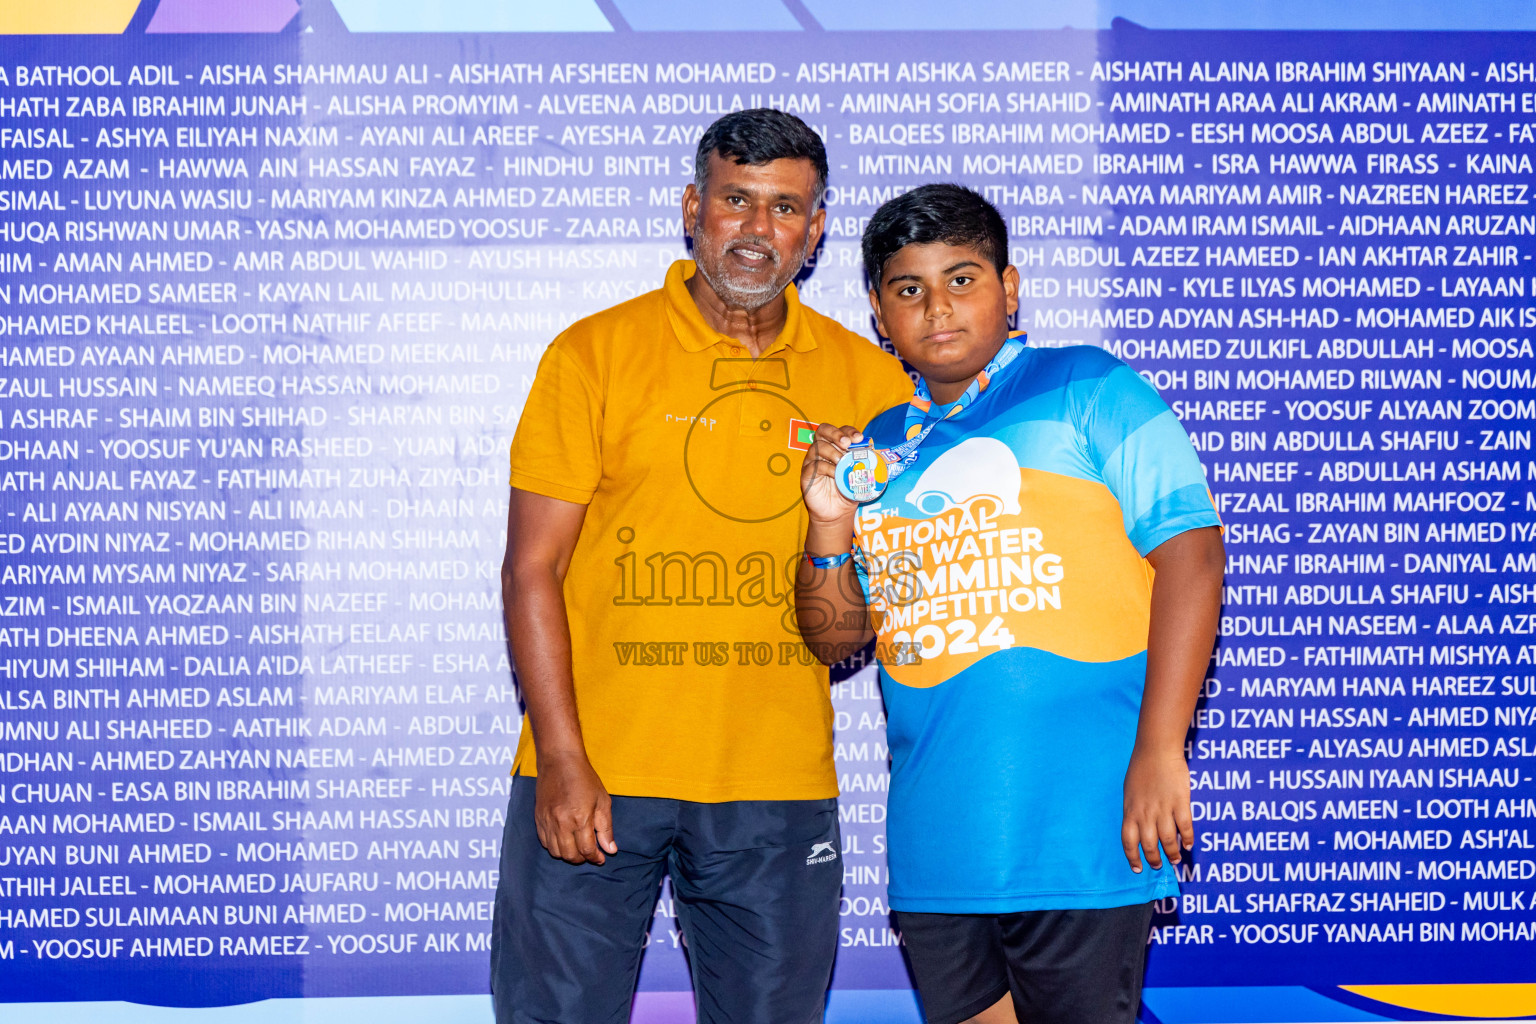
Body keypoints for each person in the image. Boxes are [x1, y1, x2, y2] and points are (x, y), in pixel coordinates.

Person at [492, 109, 913, 1024]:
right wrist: (561, 757)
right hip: (595, 771)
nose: (758, 232)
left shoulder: (872, 387)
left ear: (816, 229)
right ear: (694, 208)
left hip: (774, 786)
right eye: (736, 201)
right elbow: (532, 571)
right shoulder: (592, 354)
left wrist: (827, 525)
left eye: (785, 209)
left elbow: (847, 641)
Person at [795, 184, 1224, 1024]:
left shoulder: (1089, 386)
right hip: (937, 848)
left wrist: (1161, 751)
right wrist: (828, 525)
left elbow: (1195, 558)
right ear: (881, 315)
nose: (937, 307)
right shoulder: (874, 448)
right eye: (909, 289)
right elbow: (834, 639)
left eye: (962, 279)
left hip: (1084, 829)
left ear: (1010, 287)